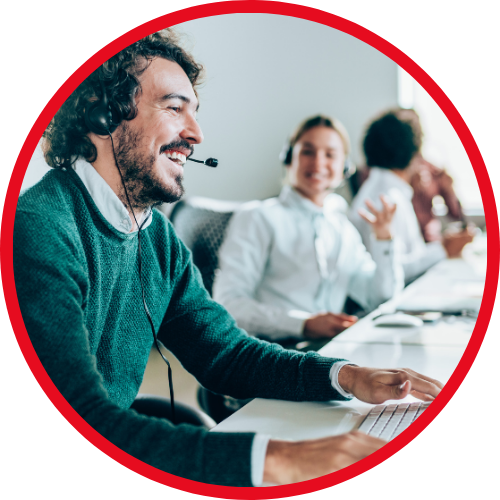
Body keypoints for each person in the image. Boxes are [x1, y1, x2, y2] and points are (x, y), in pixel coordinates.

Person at [13, 30, 442, 487]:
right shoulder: (38, 228)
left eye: (194, 113)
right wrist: (275, 460)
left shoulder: (155, 236)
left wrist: (345, 376)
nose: (195, 134)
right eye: (175, 107)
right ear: (104, 115)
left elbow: (226, 353)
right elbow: (78, 415)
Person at [213, 115, 404, 342]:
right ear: (288, 158)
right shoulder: (258, 217)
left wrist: (384, 240)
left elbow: (379, 297)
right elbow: (229, 305)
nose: (318, 163)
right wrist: (302, 324)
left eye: (330, 155)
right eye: (307, 151)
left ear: (344, 167)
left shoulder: (341, 227)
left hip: (327, 351)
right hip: (270, 352)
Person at [349, 109, 474, 285]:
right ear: (415, 153)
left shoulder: (379, 189)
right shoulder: (388, 199)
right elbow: (395, 271)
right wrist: (444, 249)